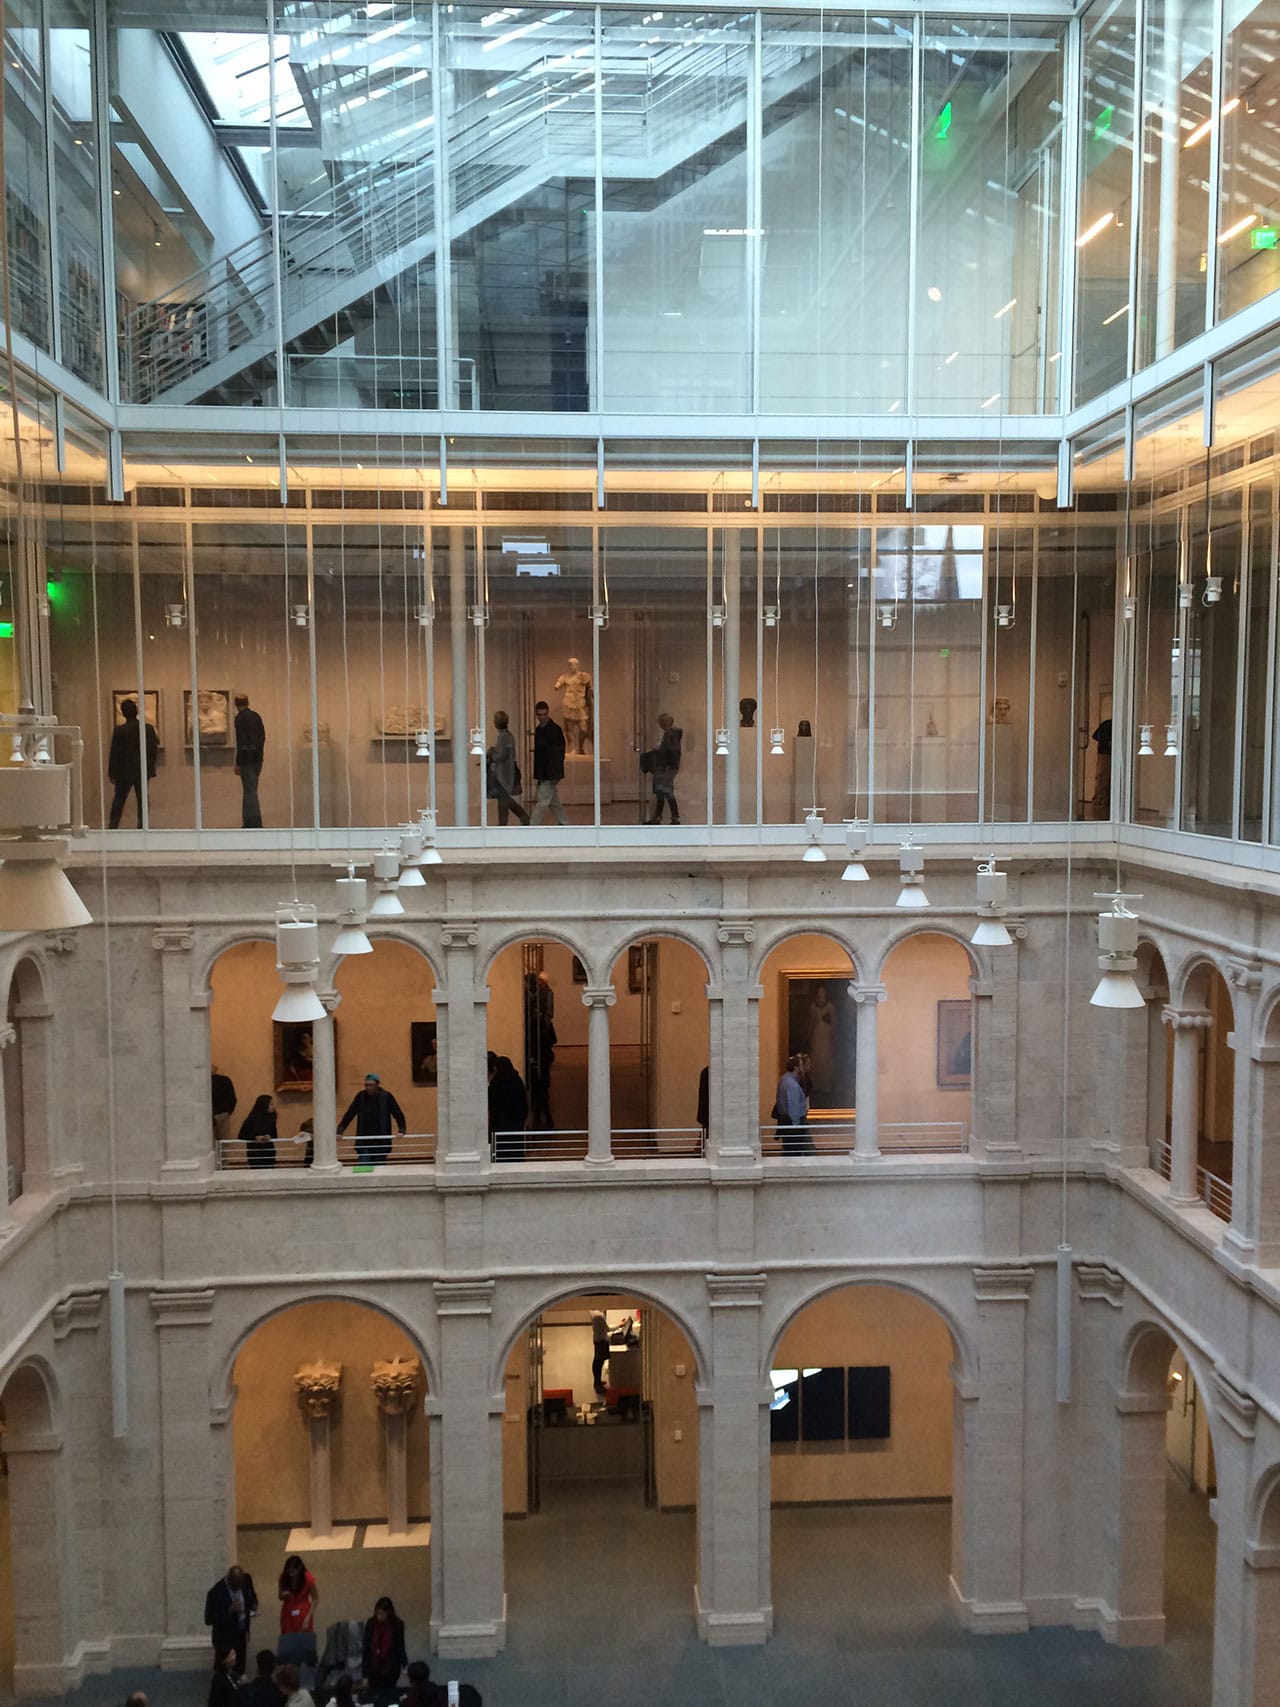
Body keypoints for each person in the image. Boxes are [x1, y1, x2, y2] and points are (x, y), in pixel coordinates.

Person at [107, 697, 158, 829]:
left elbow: (115, 753)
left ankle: (113, 826)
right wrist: (150, 767)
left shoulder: (120, 731)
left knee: (119, 800)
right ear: (136, 711)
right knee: (142, 800)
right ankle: (143, 826)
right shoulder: (147, 729)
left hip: (124, 771)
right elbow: (153, 750)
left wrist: (112, 772)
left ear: (123, 713)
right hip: (142, 769)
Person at [337, 1072, 407, 1165]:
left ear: (377, 1084)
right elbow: (349, 1114)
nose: (368, 1088)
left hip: (381, 1140)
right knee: (364, 1166)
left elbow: (398, 1114)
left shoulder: (386, 1096)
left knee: (379, 1168)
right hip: (364, 1140)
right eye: (366, 1085)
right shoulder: (360, 1096)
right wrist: (340, 1130)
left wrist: (401, 1130)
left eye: (371, 1085)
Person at [205, 1565, 258, 1675]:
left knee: (240, 1664)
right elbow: (208, 1619)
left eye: (241, 1584)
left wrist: (253, 1603)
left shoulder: (246, 1580)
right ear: (229, 1580)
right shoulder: (215, 1593)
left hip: (241, 1632)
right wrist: (228, 1611)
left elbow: (251, 1595)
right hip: (225, 1637)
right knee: (224, 1667)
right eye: (236, 1585)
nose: (239, 1587)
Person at [523, 971, 556, 1127]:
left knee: (540, 1090)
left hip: (540, 1055)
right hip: (540, 1056)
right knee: (541, 1092)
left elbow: (548, 1014)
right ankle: (544, 1119)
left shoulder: (545, 994)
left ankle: (543, 1119)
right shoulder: (536, 995)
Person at [361, 1596, 407, 1707]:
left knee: (389, 1696)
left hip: (391, 1668)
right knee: (375, 1697)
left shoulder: (397, 1625)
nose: (379, 1617)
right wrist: (365, 1675)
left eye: (382, 1614)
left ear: (389, 1613)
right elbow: (366, 1649)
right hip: (374, 1667)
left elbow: (400, 1646)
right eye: (377, 1613)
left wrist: (405, 1665)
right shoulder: (371, 1624)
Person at [486, 710, 528, 826]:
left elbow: (502, 755)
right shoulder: (505, 736)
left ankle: (520, 817)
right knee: (502, 799)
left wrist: (492, 754)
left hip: (504, 774)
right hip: (503, 774)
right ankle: (504, 823)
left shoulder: (505, 737)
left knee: (504, 799)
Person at [529, 699, 568, 825]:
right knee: (552, 800)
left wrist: (555, 774)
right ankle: (564, 822)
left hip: (549, 772)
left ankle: (532, 825)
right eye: (540, 715)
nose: (542, 717)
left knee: (543, 800)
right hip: (545, 772)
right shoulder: (541, 730)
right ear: (536, 714)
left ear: (548, 713)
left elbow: (558, 754)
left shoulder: (553, 730)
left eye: (544, 714)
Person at [234, 694, 266, 829]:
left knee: (249, 792)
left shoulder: (240, 718)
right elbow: (262, 737)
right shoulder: (256, 716)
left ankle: (252, 823)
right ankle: (252, 822)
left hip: (246, 760)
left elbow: (241, 742)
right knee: (251, 791)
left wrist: (238, 762)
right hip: (257, 759)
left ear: (236, 705)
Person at [488, 1055, 528, 1159]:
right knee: (514, 1148)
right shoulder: (517, 1080)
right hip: (515, 1123)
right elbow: (523, 1101)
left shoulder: (495, 1083)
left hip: (499, 1123)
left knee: (501, 1150)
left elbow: (491, 1102)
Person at [646, 712, 682, 824]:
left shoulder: (669, 735)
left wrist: (658, 750)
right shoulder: (671, 734)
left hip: (666, 767)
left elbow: (670, 751)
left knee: (665, 791)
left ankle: (671, 817)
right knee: (662, 791)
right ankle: (662, 816)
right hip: (667, 767)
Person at [554, 656, 593, 754]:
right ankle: (572, 748)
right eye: (569, 664)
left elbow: (590, 688)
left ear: (577, 665)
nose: (571, 666)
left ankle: (581, 746)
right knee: (569, 728)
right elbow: (558, 684)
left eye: (573, 664)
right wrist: (557, 685)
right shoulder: (565, 677)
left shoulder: (584, 677)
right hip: (568, 703)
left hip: (580, 705)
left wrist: (590, 698)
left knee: (583, 729)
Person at [773, 1054, 810, 1155]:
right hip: (793, 1126)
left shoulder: (784, 1079)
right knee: (794, 1152)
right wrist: (797, 1126)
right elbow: (793, 1108)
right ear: (796, 1068)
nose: (803, 1069)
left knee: (788, 1150)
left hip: (785, 1122)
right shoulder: (792, 1085)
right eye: (801, 1066)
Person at [806, 985, 836, 1102]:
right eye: (819, 993)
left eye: (823, 992)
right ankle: (817, 1086)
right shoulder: (813, 1007)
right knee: (816, 1060)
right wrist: (808, 1036)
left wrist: (833, 1033)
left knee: (826, 1060)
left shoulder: (830, 1007)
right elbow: (810, 1022)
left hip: (826, 1034)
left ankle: (826, 1086)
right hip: (816, 1035)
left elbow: (834, 1021)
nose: (821, 995)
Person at [278, 1554, 318, 1638]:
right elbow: (280, 1597)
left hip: (303, 1610)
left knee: (304, 1637)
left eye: (293, 1572)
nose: (291, 1574)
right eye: (289, 1571)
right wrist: (283, 1595)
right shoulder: (283, 1577)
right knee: (288, 1638)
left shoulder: (308, 1578)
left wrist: (308, 1616)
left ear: (299, 1569)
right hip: (288, 1612)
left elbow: (315, 1598)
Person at [238, 1095, 277, 1169]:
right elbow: (241, 1135)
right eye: (271, 1104)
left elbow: (275, 1135)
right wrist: (254, 1138)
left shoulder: (271, 1118)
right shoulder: (251, 1119)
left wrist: (269, 1136)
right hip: (255, 1153)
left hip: (269, 1152)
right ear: (264, 1105)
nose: (273, 1106)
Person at [1091, 716, 1112, 819]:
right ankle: (1101, 798)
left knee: (1102, 776)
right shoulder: (1108, 725)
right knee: (1104, 776)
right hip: (1106, 753)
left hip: (1103, 752)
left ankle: (1101, 798)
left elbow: (1095, 736)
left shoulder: (1106, 724)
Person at [212, 1065, 237, 1147]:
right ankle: (223, 1159)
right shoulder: (225, 1080)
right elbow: (232, 1098)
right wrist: (228, 1111)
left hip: (208, 1114)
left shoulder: (204, 1082)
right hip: (223, 1113)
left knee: (210, 1144)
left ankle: (212, 1160)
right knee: (224, 1143)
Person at [590, 1308, 610, 1395]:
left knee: (597, 1361)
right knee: (599, 1362)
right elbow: (607, 1329)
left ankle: (597, 1382)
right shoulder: (599, 1316)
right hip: (601, 1340)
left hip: (597, 1338)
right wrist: (620, 1324)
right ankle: (598, 1385)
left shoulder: (593, 1312)